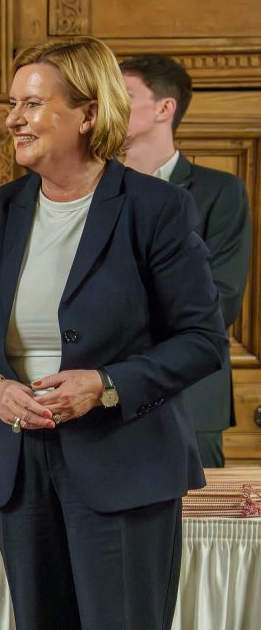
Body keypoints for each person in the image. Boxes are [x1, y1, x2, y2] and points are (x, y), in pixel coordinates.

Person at [0, 36, 227, 629]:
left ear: (88, 114)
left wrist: (105, 384)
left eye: (32, 104)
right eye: (12, 104)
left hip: (125, 464)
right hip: (17, 466)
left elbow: (202, 339)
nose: (13, 120)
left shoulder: (156, 208)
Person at [121, 54, 251, 467]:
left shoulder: (221, 192)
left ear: (164, 108)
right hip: (101, 400)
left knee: (194, 512)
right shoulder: (89, 190)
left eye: (123, 96)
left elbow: (221, 300)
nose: (107, 106)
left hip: (191, 397)